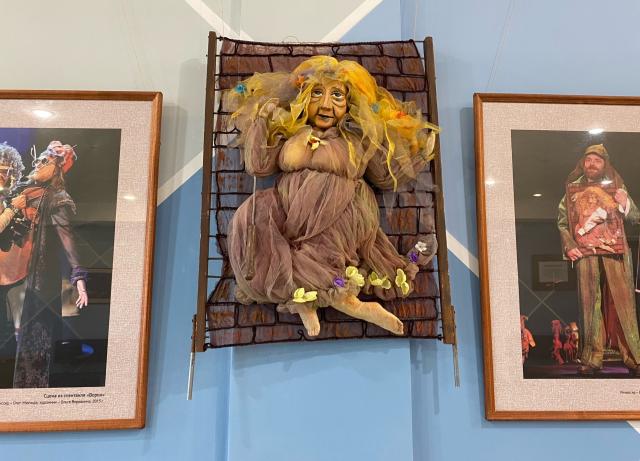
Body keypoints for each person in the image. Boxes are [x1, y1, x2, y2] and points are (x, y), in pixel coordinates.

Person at [225, 56, 439, 336]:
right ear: (304, 98)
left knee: (323, 247)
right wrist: (262, 123)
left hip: (341, 207)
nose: (326, 104)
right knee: (250, 218)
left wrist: (417, 154)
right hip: (290, 209)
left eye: (336, 95)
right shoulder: (292, 134)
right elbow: (258, 166)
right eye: (317, 93)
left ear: (350, 104)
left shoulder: (356, 138)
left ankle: (350, 304)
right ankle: (306, 300)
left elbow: (385, 178)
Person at [557, 144, 640, 375]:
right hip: (586, 253)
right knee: (588, 304)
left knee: (623, 302)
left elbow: (635, 217)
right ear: (582, 163)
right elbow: (563, 222)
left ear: (605, 164)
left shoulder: (616, 187)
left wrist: (625, 203)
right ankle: (592, 359)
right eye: (588, 160)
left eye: (597, 160)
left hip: (615, 252)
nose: (592, 164)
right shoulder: (572, 191)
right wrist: (570, 246)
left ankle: (634, 357)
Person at [11, 141, 88, 388]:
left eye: (44, 160)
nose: (37, 164)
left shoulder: (57, 198)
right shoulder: (24, 191)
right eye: (38, 159)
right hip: (13, 276)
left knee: (33, 345)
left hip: (36, 285)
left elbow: (67, 238)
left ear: (57, 168)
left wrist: (79, 278)